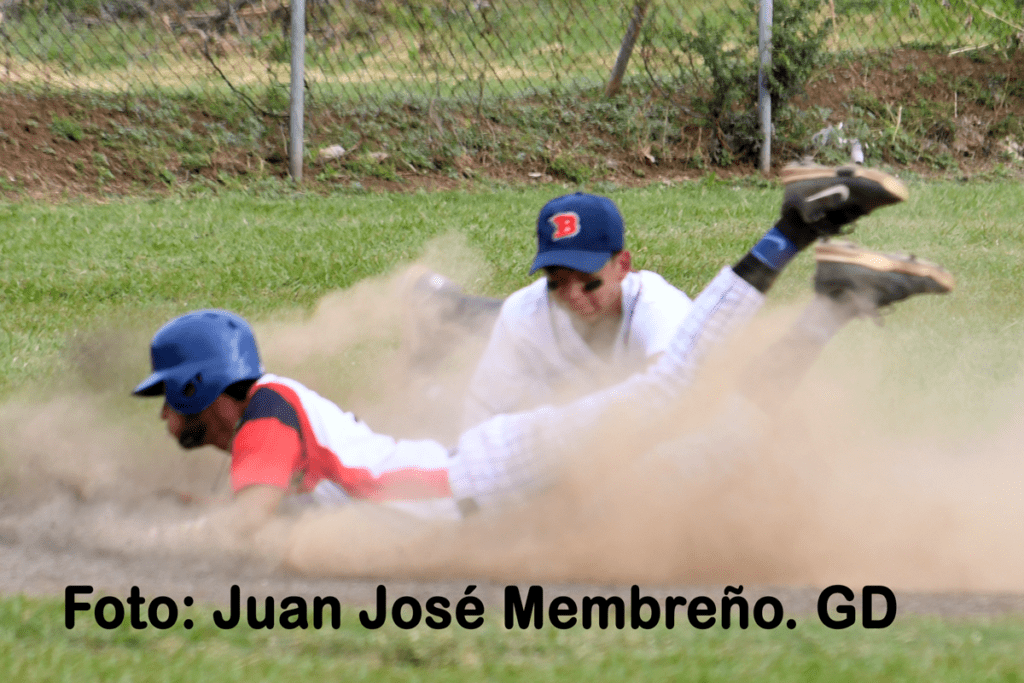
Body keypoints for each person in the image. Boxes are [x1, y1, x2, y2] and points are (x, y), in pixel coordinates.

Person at [133, 164, 950, 537]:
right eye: (558, 280)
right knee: (713, 442)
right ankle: (835, 301)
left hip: (486, 477)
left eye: (170, 396)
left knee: (692, 406)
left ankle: (794, 226)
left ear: (203, 386)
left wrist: (140, 538)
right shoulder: (530, 314)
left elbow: (249, 516)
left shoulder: (267, 410)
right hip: (507, 482)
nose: (166, 414)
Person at [461, 192, 694, 429]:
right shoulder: (523, 312)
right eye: (556, 282)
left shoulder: (662, 308)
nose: (572, 296)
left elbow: (677, 393)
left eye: (588, 282)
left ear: (622, 266)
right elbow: (482, 415)